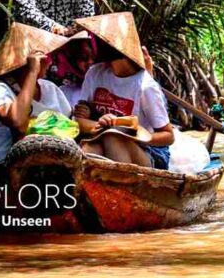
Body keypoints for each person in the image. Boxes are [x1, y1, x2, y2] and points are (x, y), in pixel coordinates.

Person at [73, 12, 174, 169]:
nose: (95, 43)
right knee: (90, 148)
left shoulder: (145, 86)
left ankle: (125, 189)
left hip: (149, 152)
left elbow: (168, 136)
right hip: (104, 139)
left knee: (112, 137)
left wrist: (136, 134)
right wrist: (102, 125)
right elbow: (78, 121)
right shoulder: (94, 73)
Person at [0, 23, 73, 168]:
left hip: (50, 166)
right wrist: (32, 72)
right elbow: (16, 119)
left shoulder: (50, 88)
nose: (50, 62)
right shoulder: (0, 89)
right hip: (3, 169)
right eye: (46, 56)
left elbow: (68, 124)